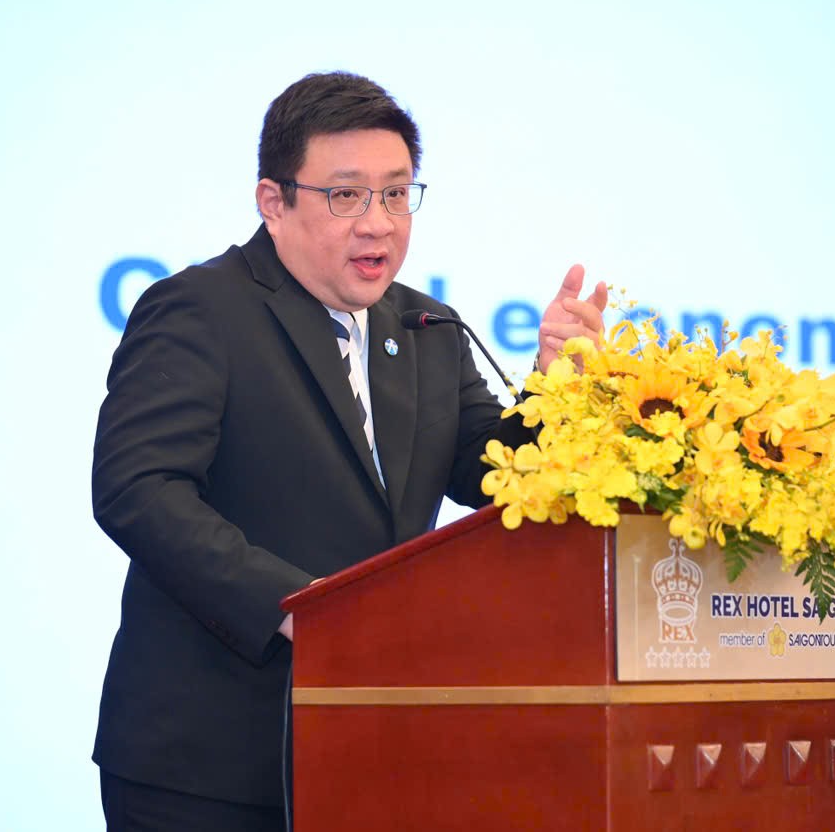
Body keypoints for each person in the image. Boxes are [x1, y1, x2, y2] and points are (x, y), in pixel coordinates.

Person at [91, 71, 607, 831]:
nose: (378, 223)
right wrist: (303, 609)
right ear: (274, 202)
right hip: (207, 763)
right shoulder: (201, 309)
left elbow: (497, 475)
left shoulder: (427, 328)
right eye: (346, 195)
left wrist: (558, 390)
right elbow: (139, 489)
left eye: (396, 194)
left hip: (372, 753)